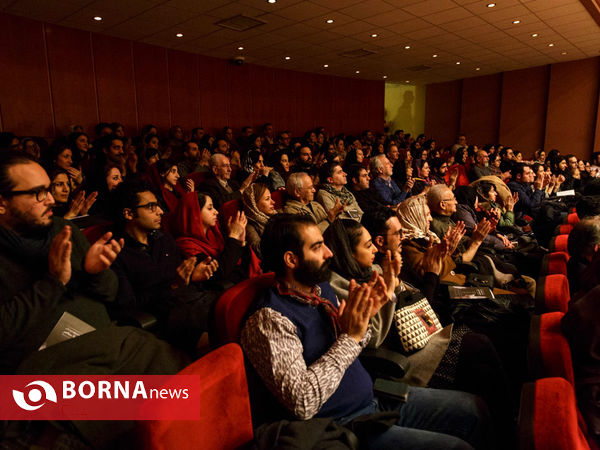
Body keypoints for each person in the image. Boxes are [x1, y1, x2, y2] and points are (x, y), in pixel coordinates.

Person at [240, 213, 492, 450]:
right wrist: (351, 338)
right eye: (317, 247)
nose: (329, 252)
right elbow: (302, 402)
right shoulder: (270, 320)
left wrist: (371, 311)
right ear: (291, 260)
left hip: (375, 397)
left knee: (475, 410)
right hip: (344, 426)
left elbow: (360, 341)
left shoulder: (319, 289)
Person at [0, 153, 188, 445]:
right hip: (43, 371)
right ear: (1, 203)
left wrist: (95, 272)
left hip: (105, 347)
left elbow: (112, 293)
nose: (51, 198)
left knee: (178, 390)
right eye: (38, 193)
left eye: (49, 189)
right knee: (139, 418)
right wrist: (52, 283)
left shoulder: (62, 229)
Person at [111, 180, 219, 355]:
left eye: (158, 205)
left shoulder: (164, 240)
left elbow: (182, 278)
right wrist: (173, 285)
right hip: (167, 318)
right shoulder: (116, 253)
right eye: (151, 207)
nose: (160, 211)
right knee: (223, 343)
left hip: (196, 300)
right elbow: (128, 305)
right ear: (129, 213)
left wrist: (195, 276)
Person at [170, 192, 260, 285]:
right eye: (210, 208)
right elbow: (219, 272)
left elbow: (239, 260)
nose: (216, 212)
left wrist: (241, 241)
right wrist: (233, 237)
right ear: (195, 213)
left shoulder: (214, 233)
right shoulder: (185, 245)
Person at [242, 183, 277, 259]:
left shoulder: (276, 215)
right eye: (267, 199)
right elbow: (260, 251)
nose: (273, 202)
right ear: (254, 204)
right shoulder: (249, 226)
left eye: (271, 198)